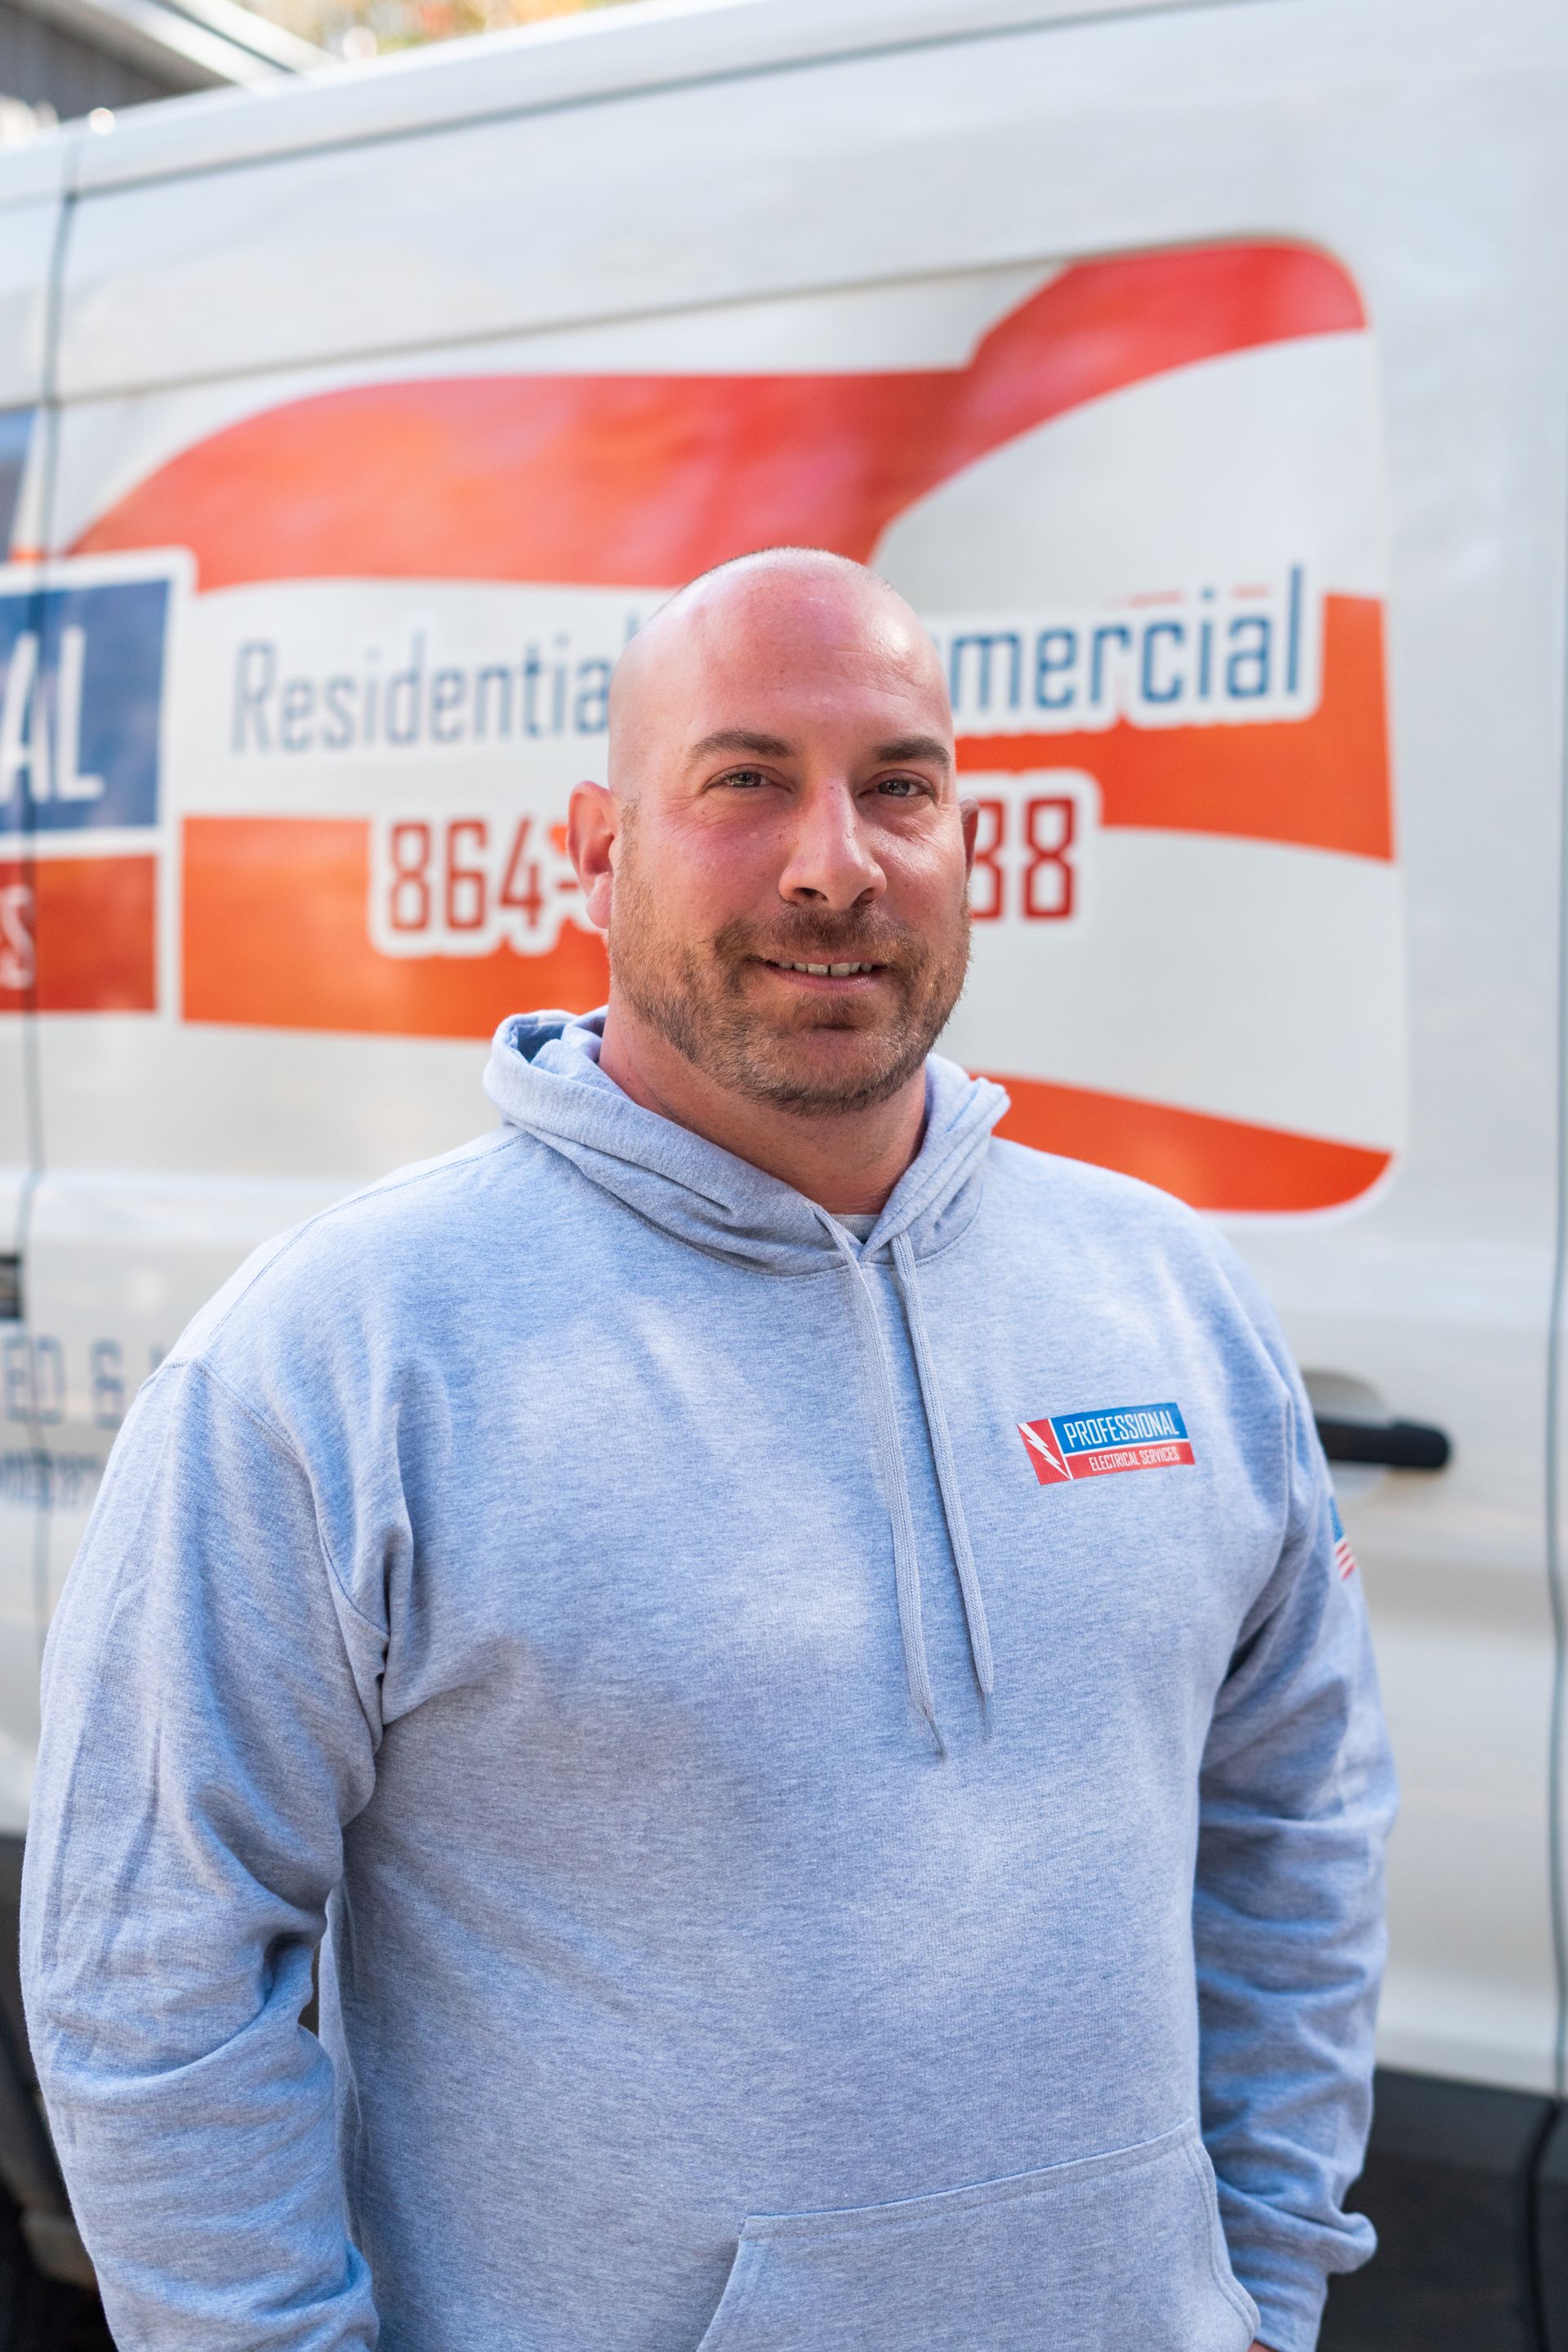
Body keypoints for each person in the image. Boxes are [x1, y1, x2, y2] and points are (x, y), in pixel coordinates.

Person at [21, 548, 1394, 2352]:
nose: (837, 861)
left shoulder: (1168, 1302)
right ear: (594, 847)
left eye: (899, 785)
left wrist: (1264, 2284)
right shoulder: (341, 1356)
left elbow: (1298, 1824)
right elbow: (151, 1979)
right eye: (745, 780)